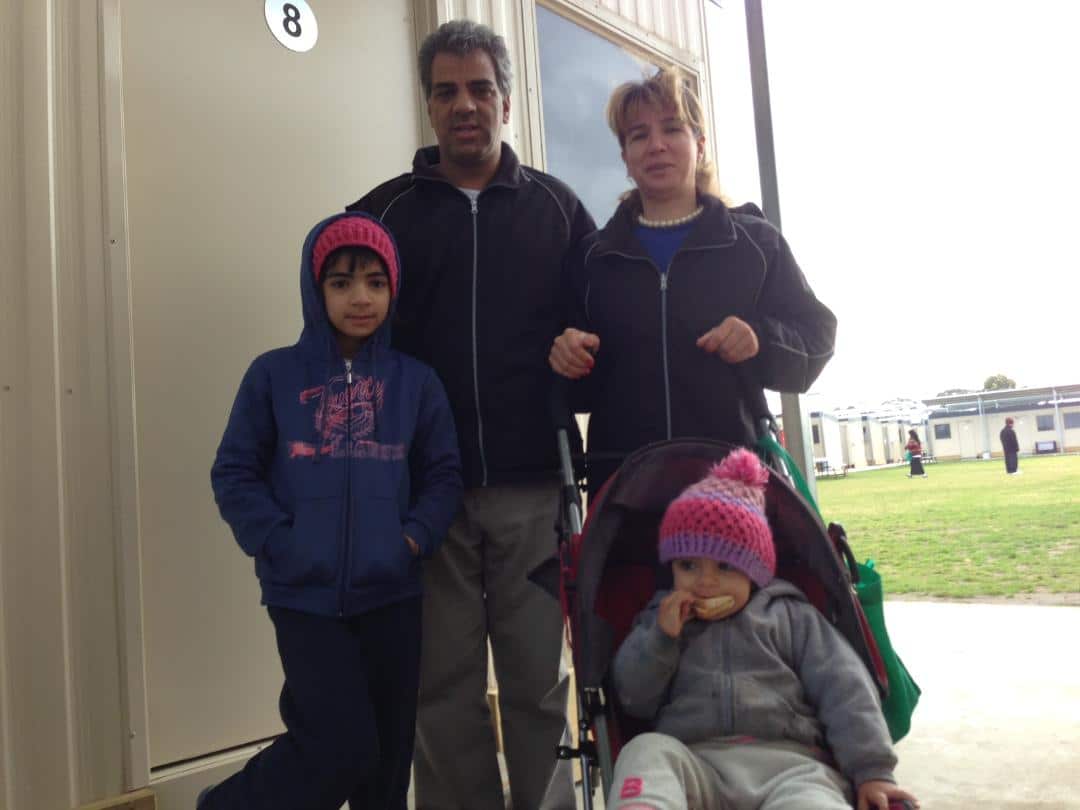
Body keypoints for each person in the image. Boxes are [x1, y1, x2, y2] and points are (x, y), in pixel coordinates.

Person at [346, 19, 595, 810]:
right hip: (424, 500)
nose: (465, 105)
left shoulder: (560, 211)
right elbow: (337, 343)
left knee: (538, 682)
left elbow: (600, 334)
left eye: (481, 89)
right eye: (447, 91)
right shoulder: (379, 218)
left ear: (506, 103)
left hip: (533, 485)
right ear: (427, 105)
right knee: (440, 687)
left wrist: (581, 352)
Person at [201, 213, 463, 810]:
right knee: (339, 747)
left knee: (388, 760)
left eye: (375, 281)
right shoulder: (273, 375)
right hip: (304, 597)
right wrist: (280, 542)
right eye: (341, 282)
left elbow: (443, 474)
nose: (360, 298)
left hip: (393, 595)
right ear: (315, 289)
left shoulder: (416, 382)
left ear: (393, 289)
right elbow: (234, 472)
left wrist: (412, 539)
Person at [549, 69, 836, 494]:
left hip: (731, 492)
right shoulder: (592, 259)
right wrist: (566, 356)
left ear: (699, 145)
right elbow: (576, 388)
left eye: (672, 128)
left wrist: (760, 339)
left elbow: (818, 336)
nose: (656, 145)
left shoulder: (755, 244)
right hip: (626, 498)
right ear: (625, 156)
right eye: (639, 135)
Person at [607, 448, 919, 810]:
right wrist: (661, 641)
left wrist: (872, 770)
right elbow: (632, 699)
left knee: (813, 797)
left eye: (725, 567)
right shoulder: (661, 621)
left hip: (790, 766)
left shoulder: (790, 616)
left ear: (754, 571)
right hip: (695, 764)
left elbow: (845, 688)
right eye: (688, 565)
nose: (705, 582)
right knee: (644, 750)